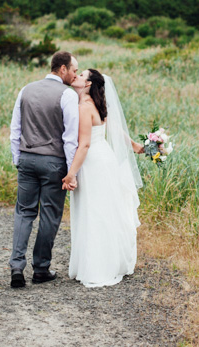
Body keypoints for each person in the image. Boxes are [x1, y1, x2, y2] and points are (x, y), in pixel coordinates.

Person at [62, 69, 144, 287]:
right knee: (104, 210)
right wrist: (134, 145)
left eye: (81, 75)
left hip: (92, 163)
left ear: (88, 84)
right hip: (105, 158)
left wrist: (71, 173)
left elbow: (85, 144)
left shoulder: (84, 107)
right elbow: (114, 126)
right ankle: (110, 261)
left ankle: (98, 266)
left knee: (94, 211)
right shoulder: (96, 104)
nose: (76, 76)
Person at [8, 51, 79, 288]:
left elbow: (15, 130)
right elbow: (70, 139)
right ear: (62, 69)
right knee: (49, 214)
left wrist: (19, 160)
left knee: (24, 212)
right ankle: (40, 269)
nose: (75, 74)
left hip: (27, 159)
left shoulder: (25, 90)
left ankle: (16, 267)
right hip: (53, 163)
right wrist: (71, 172)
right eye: (73, 70)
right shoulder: (67, 96)